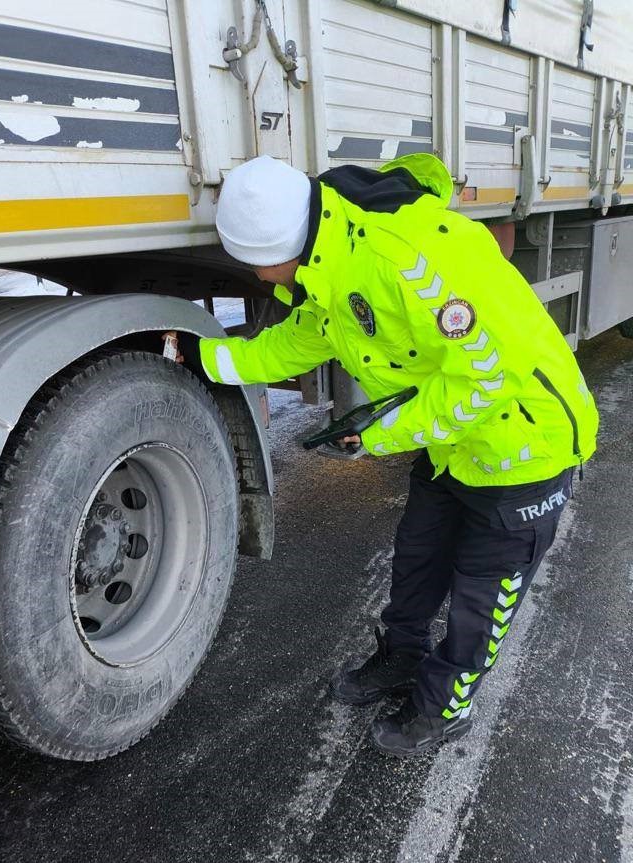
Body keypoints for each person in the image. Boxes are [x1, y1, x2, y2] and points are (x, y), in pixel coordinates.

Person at [195, 153, 598, 758]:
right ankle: (401, 659)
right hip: (451, 443)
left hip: (524, 447)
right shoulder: (330, 259)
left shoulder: (408, 262)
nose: (258, 277)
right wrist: (204, 360)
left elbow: (486, 382)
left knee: (481, 595)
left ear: (289, 239)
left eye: (258, 263)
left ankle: (446, 704)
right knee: (417, 562)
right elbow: (296, 341)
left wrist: (377, 437)